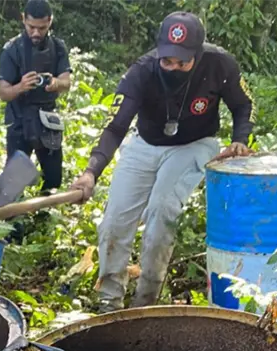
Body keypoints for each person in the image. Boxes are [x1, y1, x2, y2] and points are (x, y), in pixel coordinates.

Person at [69, 12, 255, 312]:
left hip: (195, 144)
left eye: (183, 62)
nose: (174, 67)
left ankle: (146, 306)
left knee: (161, 212)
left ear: (197, 52)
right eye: (167, 61)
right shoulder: (141, 72)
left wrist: (240, 139)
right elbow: (115, 126)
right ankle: (109, 306)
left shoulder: (220, 64)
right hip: (145, 144)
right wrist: (91, 172)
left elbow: (243, 105)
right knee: (113, 221)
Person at [0, 0, 72, 195]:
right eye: (32, 27)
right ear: (23, 19)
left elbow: (67, 82)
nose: (36, 33)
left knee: (54, 178)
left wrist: (55, 83)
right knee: (14, 182)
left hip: (47, 121)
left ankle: (44, 218)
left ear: (50, 22)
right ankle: (13, 223)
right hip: (19, 120)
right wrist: (21, 86)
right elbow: (3, 92)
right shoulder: (12, 49)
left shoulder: (58, 47)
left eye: (42, 28)